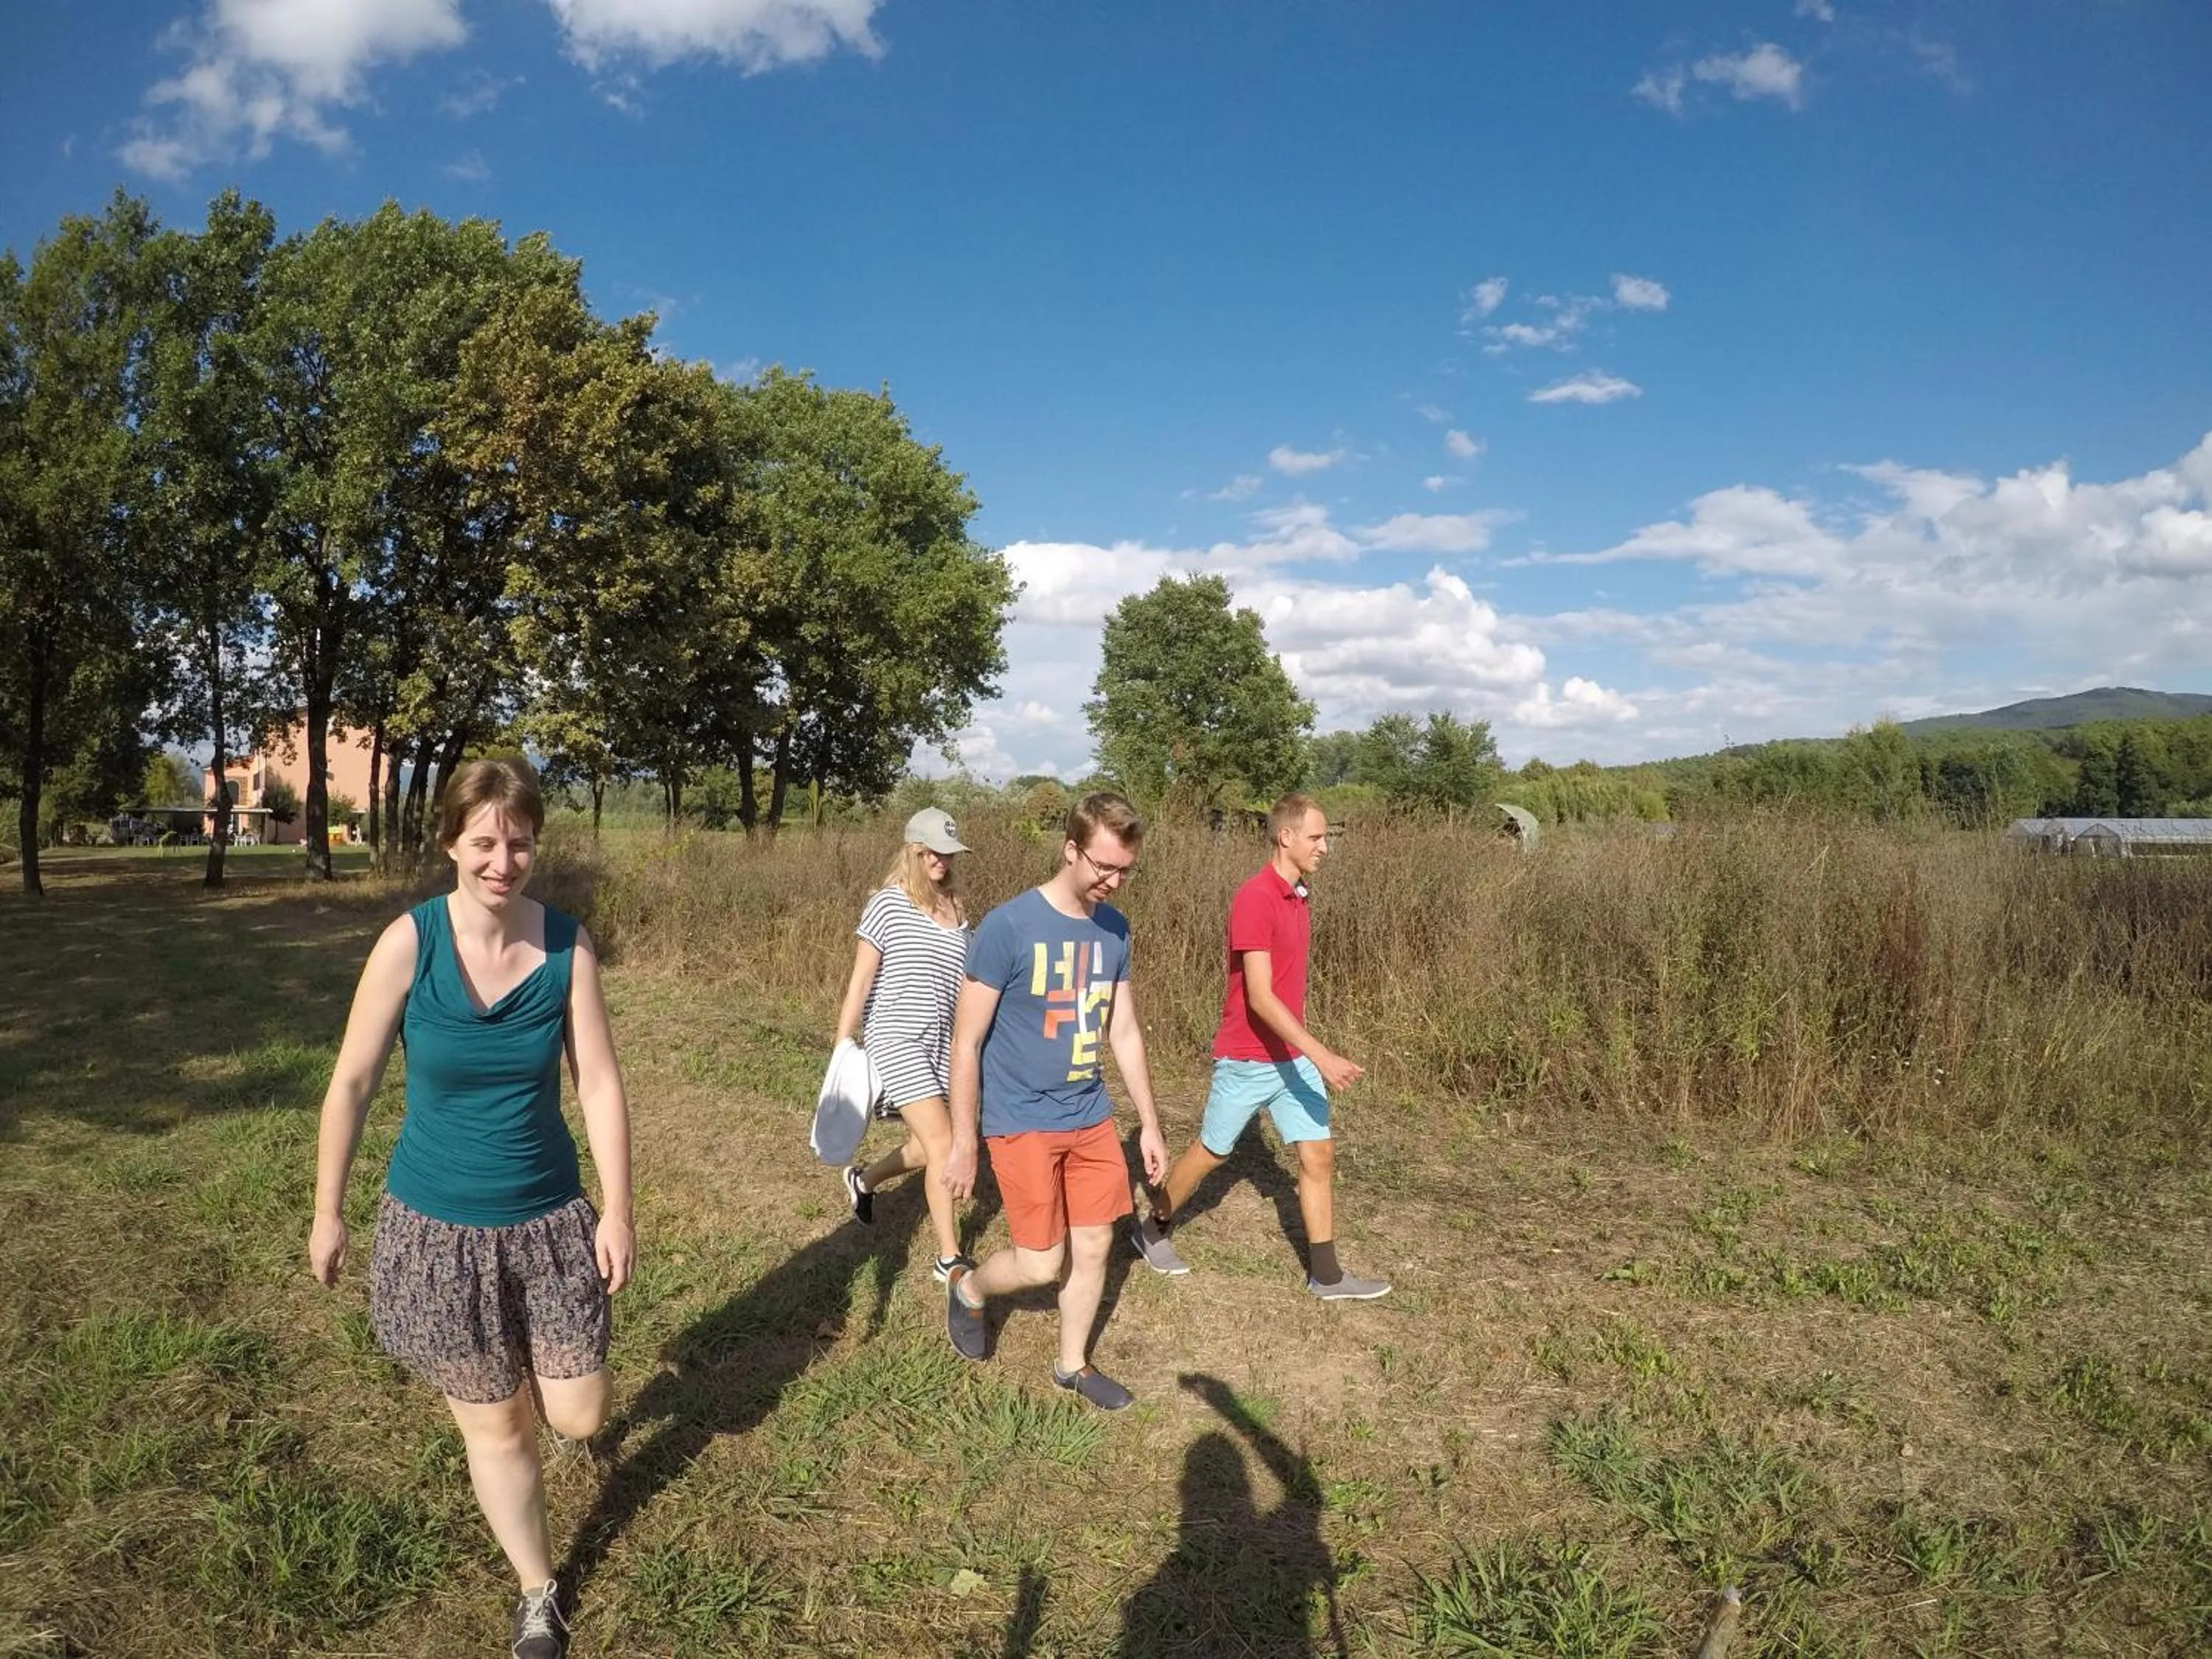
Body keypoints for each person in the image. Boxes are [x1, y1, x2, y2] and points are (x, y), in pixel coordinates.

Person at [307, 758, 634, 1659]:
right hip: (438, 1228)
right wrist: (328, 1210)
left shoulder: (567, 946)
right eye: (484, 842)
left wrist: (618, 1209)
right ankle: (538, 1590)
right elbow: (353, 1081)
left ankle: (520, 1385)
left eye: (518, 842)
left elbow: (598, 1083)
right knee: (497, 1424)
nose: (503, 860)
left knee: (578, 1416)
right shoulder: (409, 945)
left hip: (549, 1220)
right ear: (451, 841)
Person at [942, 791, 1169, 1410]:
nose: (1115, 882)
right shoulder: (1008, 928)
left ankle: (1072, 1365)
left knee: (1094, 1245)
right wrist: (965, 1141)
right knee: (1042, 1264)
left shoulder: (1115, 931)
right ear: (1070, 850)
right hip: (1021, 1118)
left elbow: (1122, 1030)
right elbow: (966, 1043)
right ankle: (969, 1289)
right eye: (1103, 867)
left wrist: (1148, 1125)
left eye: (1126, 870)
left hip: (1090, 1113)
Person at [1130, 793, 1389, 1300]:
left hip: (1290, 1059)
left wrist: (1305, 1054)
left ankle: (1327, 1276)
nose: (1325, 848)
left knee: (1318, 1155)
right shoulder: (1255, 897)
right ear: (1285, 836)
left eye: (1326, 838)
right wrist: (1322, 1053)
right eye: (1316, 837)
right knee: (1211, 1152)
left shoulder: (1299, 896)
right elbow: (1260, 997)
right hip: (1249, 1059)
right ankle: (1150, 1228)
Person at [832, 806, 974, 1282]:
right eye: (934, 851)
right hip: (894, 1037)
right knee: (945, 1143)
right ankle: (949, 1257)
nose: (943, 861)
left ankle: (864, 1179)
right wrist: (842, 1044)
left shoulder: (957, 909)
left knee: (922, 1146)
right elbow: (861, 979)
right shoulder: (887, 903)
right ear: (913, 849)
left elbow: (965, 985)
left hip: (942, 1042)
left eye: (950, 853)